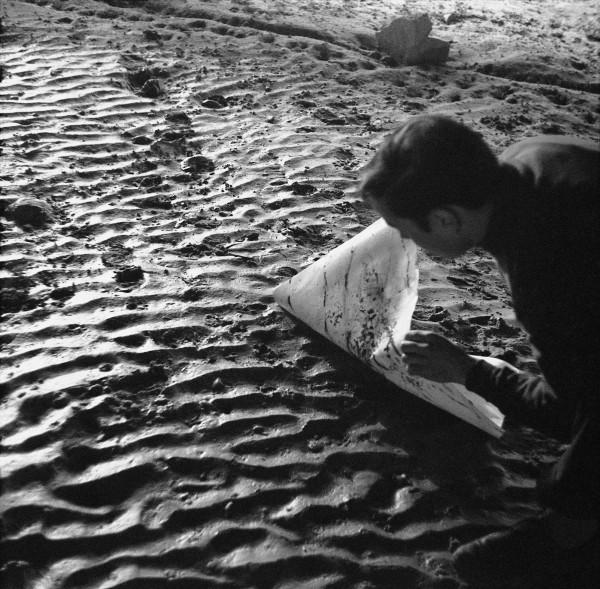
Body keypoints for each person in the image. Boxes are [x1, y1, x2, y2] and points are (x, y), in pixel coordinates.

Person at [359, 114, 600, 586]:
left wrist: (471, 372)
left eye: (406, 229)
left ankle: (570, 546)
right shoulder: (529, 157)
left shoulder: (549, 264)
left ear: (446, 219)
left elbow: (573, 410)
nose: (407, 241)